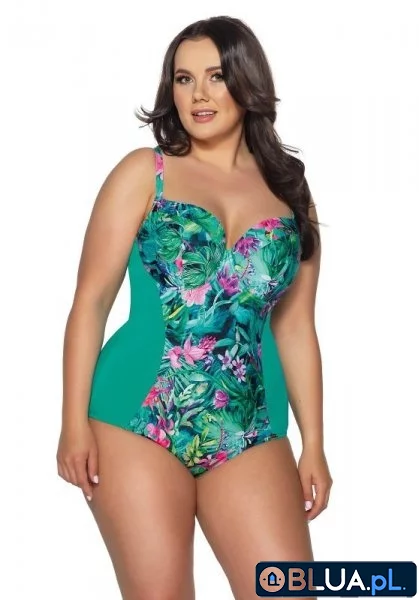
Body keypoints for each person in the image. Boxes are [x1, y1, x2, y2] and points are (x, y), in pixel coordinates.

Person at [56, 14, 333, 600]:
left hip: (250, 427)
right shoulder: (144, 173)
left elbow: (296, 329)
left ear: (247, 82)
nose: (198, 94)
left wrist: (313, 442)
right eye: (184, 79)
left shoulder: (291, 193)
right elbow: (90, 302)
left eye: (215, 76)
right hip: (134, 417)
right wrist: (72, 423)